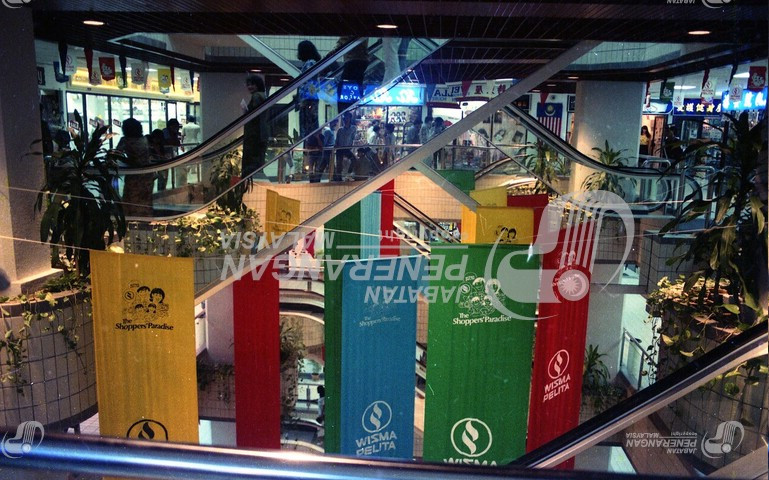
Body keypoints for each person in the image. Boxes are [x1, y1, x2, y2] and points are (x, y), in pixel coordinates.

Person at [116, 118, 153, 216]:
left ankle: (131, 222)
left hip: (134, 174)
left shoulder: (125, 140)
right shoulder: (144, 139)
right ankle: (145, 221)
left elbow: (116, 154)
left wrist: (128, 161)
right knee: (145, 199)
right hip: (148, 173)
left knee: (131, 199)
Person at [242, 74, 269, 178]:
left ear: (258, 85)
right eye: (248, 85)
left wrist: (246, 112)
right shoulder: (263, 95)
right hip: (262, 134)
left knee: (251, 165)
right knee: (259, 163)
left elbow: (254, 114)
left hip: (254, 135)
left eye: (252, 84)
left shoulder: (256, 96)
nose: (249, 87)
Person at [334, 36, 369, 113]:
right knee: (356, 85)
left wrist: (333, 52)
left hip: (352, 59)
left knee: (342, 87)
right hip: (363, 59)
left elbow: (343, 41)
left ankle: (343, 111)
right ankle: (353, 107)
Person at [297, 40, 322, 138]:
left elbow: (310, 83)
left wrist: (305, 99)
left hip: (308, 101)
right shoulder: (312, 62)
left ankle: (310, 148)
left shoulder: (310, 63)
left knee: (308, 128)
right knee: (310, 127)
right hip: (310, 100)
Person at [333, 112, 356, 181]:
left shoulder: (353, 128)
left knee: (354, 160)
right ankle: (338, 178)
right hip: (340, 149)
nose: (346, 120)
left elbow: (353, 138)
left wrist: (351, 146)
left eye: (347, 118)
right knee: (339, 164)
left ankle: (348, 174)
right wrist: (336, 147)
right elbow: (337, 141)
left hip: (347, 149)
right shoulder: (340, 130)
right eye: (345, 118)